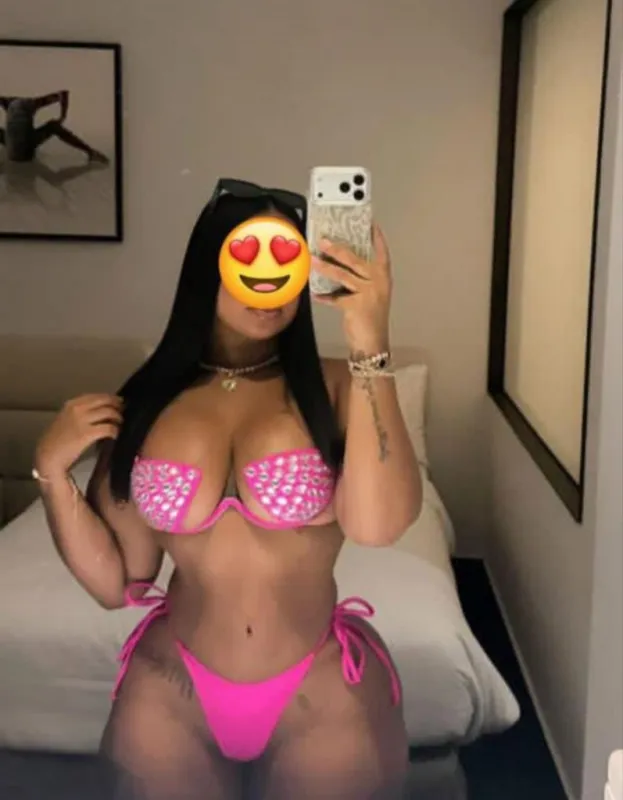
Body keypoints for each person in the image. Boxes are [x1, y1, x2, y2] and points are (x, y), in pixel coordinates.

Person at [34, 178, 422, 800]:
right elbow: (118, 582)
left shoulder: (340, 387)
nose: (265, 280)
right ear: (206, 267)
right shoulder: (148, 400)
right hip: (172, 688)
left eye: (285, 258)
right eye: (246, 254)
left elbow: (378, 526)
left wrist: (370, 342)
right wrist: (51, 472)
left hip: (317, 687)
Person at [0, 91, 109, 164]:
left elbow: (62, 94)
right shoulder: (33, 103)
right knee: (53, 126)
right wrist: (62, 116)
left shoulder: (7, 103)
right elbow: (63, 94)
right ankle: (90, 152)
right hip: (26, 153)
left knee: (16, 134)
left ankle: (91, 152)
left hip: (12, 151)